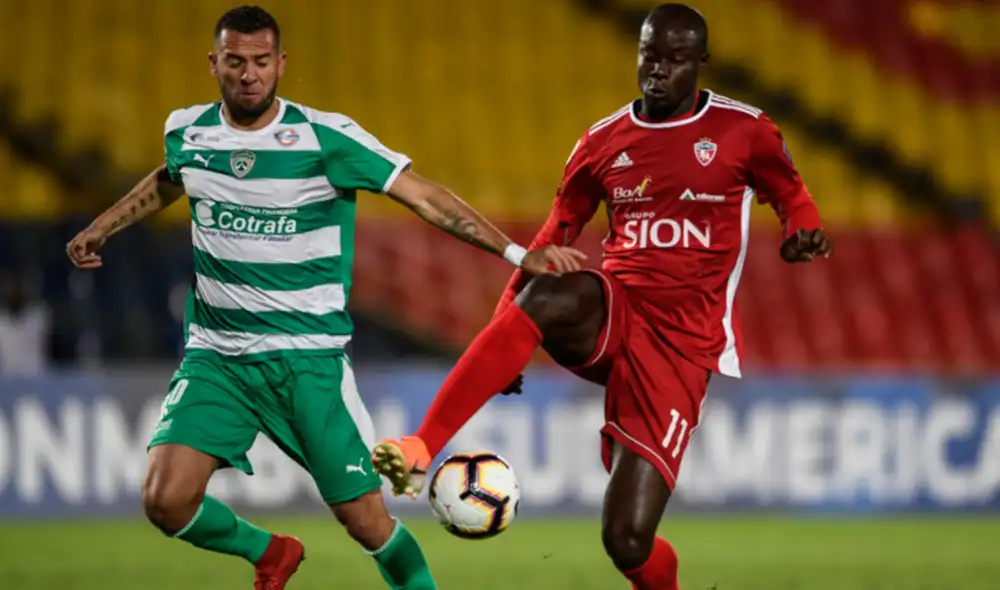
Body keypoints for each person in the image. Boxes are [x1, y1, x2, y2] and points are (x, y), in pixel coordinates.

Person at [65, 6, 583, 590]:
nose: (249, 75)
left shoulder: (323, 137)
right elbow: (171, 176)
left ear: (281, 64)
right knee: (165, 500)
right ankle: (272, 553)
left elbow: (425, 198)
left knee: (366, 523)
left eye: (262, 62)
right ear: (214, 64)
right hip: (218, 357)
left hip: (305, 361)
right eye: (235, 62)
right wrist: (103, 225)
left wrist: (517, 255)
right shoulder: (188, 131)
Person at [372, 4, 832, 589]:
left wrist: (802, 229)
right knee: (552, 285)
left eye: (675, 59)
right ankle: (419, 446)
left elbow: (791, 193)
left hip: (683, 346)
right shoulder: (603, 141)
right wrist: (505, 323)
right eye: (649, 56)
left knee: (627, 540)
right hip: (616, 307)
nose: (658, 71)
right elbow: (551, 237)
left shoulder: (745, 130)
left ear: (701, 63)